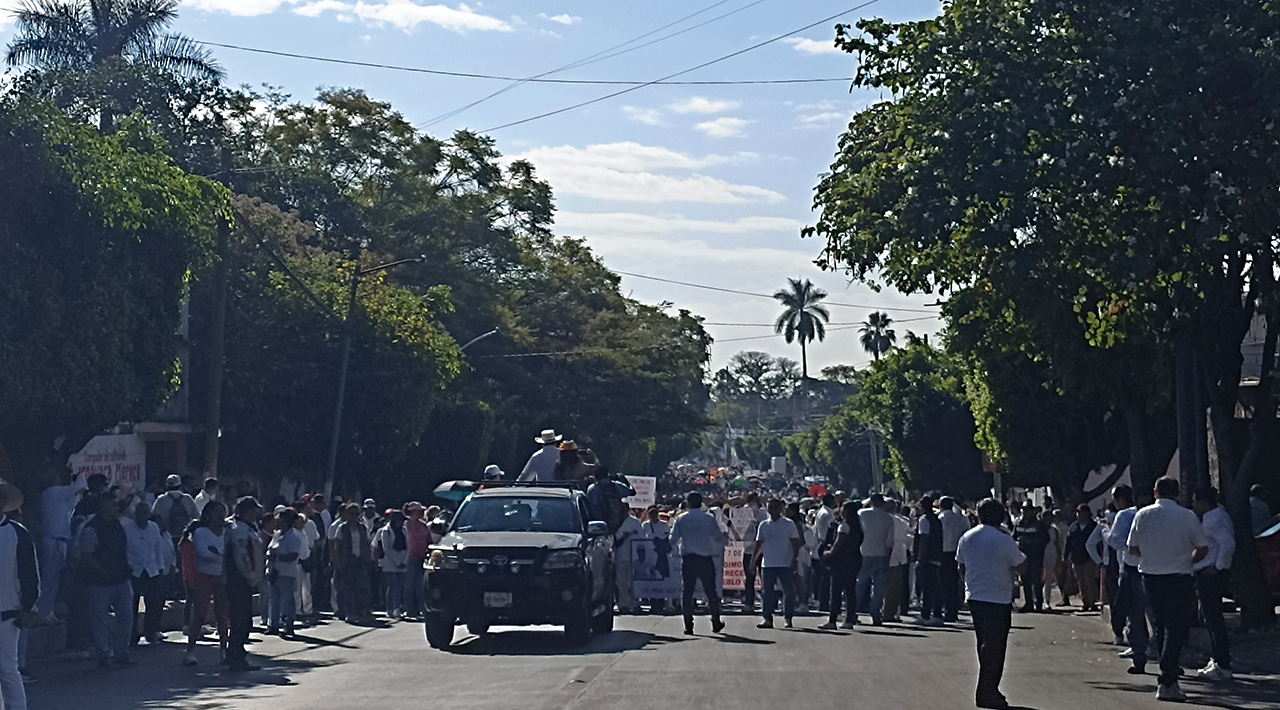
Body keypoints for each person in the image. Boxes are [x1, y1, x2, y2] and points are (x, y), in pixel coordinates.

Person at [1126, 477, 1209, 702]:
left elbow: (1132, 547)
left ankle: (1167, 671)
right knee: (1176, 627)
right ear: (1177, 493)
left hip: (1151, 576)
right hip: (1179, 576)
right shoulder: (1187, 516)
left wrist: (1152, 556)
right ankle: (1168, 677)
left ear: (1155, 493)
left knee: (1161, 625)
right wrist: (1187, 559)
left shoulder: (1142, 515)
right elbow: (1202, 548)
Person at [957, 499, 1028, 710]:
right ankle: (987, 691)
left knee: (984, 644)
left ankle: (987, 688)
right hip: (998, 597)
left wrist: (969, 583)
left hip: (976, 596)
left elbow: (960, 566)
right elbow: (1021, 565)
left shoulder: (967, 537)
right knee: (996, 647)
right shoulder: (1004, 540)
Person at [78, 493, 137, 667]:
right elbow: (86, 557)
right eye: (112, 505)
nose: (116, 507)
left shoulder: (118, 525)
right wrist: (103, 573)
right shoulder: (91, 528)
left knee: (126, 616)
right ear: (103, 506)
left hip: (122, 579)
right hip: (99, 582)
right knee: (99, 618)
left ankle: (121, 652)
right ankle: (103, 653)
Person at [0, 479, 38, 710]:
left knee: (7, 668)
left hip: (8, 614)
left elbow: (30, 575)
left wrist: (28, 608)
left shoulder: (17, 534)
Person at [1192, 487, 1235, 682]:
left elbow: (1227, 544)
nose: (1194, 506)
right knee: (1208, 617)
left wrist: (1218, 567)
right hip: (1206, 572)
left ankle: (1222, 664)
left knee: (1213, 618)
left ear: (1203, 502)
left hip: (1210, 574)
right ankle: (1217, 659)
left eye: (1196, 502)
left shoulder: (1215, 520)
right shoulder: (1213, 517)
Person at [1107, 484, 1151, 670]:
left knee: (1157, 615)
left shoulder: (1157, 515)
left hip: (1154, 568)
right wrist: (1134, 549)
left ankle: (1167, 657)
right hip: (1133, 567)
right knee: (1135, 614)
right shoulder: (1125, 516)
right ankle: (1139, 654)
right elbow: (1114, 540)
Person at [669, 492, 725, 635]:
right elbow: (718, 538)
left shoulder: (681, 519)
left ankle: (688, 625)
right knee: (711, 592)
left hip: (689, 559)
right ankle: (716, 622)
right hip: (705, 558)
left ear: (687, 503)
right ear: (701, 503)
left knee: (687, 593)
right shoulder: (708, 518)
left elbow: (672, 539)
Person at [182, 500, 230, 666]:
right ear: (209, 514)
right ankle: (190, 650)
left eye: (222, 511)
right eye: (217, 511)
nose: (220, 515)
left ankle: (224, 650)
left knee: (222, 615)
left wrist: (217, 554)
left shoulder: (227, 532)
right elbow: (203, 554)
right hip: (205, 576)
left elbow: (227, 553)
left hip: (222, 577)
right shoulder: (201, 532)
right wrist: (221, 555)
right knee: (200, 614)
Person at [35, 466, 84, 621]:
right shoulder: (51, 492)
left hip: (61, 540)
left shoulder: (58, 497)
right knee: (49, 579)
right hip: (52, 539)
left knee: (55, 580)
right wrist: (81, 474)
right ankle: (41, 612)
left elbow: (72, 503)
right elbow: (77, 486)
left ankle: (48, 611)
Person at [224, 496, 264, 670]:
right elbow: (241, 558)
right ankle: (235, 656)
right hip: (239, 581)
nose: (255, 512)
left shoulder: (247, 528)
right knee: (240, 620)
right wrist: (251, 576)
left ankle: (236, 653)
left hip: (243, 581)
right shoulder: (239, 530)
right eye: (252, 509)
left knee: (242, 619)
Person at [123, 502, 169, 646]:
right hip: (134, 571)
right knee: (132, 605)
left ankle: (151, 632)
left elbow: (157, 549)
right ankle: (132, 635)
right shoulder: (127, 529)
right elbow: (124, 551)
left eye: (145, 513)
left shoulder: (154, 528)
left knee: (153, 605)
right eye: (139, 513)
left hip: (151, 570)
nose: (142, 516)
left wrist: (160, 568)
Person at [752, 499, 801, 629]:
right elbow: (758, 544)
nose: (773, 510)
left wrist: (795, 559)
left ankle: (788, 617)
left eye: (775, 507)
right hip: (767, 563)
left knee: (788, 592)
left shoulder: (788, 524)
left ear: (781, 509)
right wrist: (753, 561)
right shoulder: (763, 525)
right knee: (767, 592)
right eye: (770, 507)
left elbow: (796, 543)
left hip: (785, 563)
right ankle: (767, 618)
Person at [818, 500, 863, 630]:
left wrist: (829, 554)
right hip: (855, 559)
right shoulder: (858, 526)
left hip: (842, 561)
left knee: (836, 590)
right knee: (850, 591)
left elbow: (839, 542)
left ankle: (832, 620)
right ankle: (849, 619)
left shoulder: (844, 526)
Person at [855, 494, 895, 626]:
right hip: (881, 553)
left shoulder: (862, 513)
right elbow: (890, 542)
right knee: (879, 587)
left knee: (860, 583)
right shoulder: (888, 519)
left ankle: (854, 610)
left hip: (864, 552)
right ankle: (876, 613)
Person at [332, 503, 373, 624]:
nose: (354, 516)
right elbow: (337, 546)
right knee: (348, 588)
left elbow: (366, 544)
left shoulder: (362, 528)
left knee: (363, 587)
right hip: (347, 561)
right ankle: (350, 612)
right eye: (351, 514)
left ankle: (363, 611)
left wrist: (368, 559)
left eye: (357, 514)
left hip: (360, 561)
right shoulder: (342, 528)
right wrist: (337, 562)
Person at [267, 507, 305, 635]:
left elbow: (293, 556)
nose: (277, 523)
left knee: (288, 600)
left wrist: (277, 556)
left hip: (286, 573)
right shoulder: (276, 535)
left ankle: (289, 624)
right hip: (274, 572)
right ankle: (273, 625)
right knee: (274, 599)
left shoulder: (294, 537)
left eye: (280, 521)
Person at [372, 510, 410, 619]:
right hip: (389, 563)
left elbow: (408, 546)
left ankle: (397, 608)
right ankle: (390, 608)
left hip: (402, 562)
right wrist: (396, 562)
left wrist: (404, 561)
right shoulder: (386, 531)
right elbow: (387, 548)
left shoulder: (404, 530)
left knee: (400, 586)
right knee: (392, 586)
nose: (401, 523)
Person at [1012, 503, 1049, 612]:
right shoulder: (1018, 523)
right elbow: (1013, 538)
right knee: (1025, 580)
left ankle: (1038, 604)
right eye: (1024, 510)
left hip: (1035, 556)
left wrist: (1031, 542)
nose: (1025, 512)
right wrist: (1018, 543)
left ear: (1032, 511)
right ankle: (1029, 604)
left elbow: (1045, 539)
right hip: (1023, 556)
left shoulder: (1039, 524)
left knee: (1036, 581)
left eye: (1028, 510)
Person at [914, 496, 945, 625]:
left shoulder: (924, 520)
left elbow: (924, 539)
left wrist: (920, 557)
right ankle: (931, 613)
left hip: (926, 558)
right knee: (933, 587)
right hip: (936, 556)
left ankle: (930, 614)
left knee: (927, 587)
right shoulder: (936, 520)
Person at [737, 493, 769, 614]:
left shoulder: (763, 513)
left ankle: (768, 602)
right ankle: (749, 602)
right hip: (748, 550)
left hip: (762, 550)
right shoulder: (743, 513)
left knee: (765, 578)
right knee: (749, 578)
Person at [882, 499, 913, 622]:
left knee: (881, 585)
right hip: (897, 556)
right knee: (893, 586)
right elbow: (906, 539)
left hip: (881, 553)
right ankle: (889, 612)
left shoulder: (881, 520)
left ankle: (879, 610)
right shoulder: (902, 522)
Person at [938, 496, 968, 622]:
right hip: (956, 553)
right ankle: (953, 610)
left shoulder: (940, 519)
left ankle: (946, 610)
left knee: (943, 584)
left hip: (943, 553)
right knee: (954, 583)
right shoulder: (960, 519)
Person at [1065, 504, 1100, 611]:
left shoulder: (1093, 526)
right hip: (1076, 557)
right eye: (1077, 513)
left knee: (1089, 579)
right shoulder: (1073, 526)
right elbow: (1069, 542)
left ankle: (1093, 602)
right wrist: (1065, 556)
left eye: (1080, 512)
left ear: (1087, 513)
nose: (1078, 515)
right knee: (1081, 581)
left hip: (1090, 557)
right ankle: (1086, 602)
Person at [152, 474, 198, 543]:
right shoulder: (187, 498)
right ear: (180, 485)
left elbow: (154, 517)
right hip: (185, 537)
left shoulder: (161, 500)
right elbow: (196, 516)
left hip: (167, 537)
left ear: (166, 486)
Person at [403, 502, 429, 620]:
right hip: (411, 557)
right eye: (418, 511)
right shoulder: (406, 525)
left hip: (422, 557)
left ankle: (421, 609)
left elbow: (428, 540)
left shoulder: (424, 525)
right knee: (409, 585)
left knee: (420, 585)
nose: (421, 513)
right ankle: (409, 609)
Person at [614, 510, 643, 613]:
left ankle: (635, 603)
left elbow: (642, 537)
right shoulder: (615, 522)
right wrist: (623, 537)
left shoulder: (635, 522)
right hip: (620, 555)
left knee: (633, 581)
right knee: (621, 582)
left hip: (633, 555)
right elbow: (614, 541)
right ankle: (623, 604)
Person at [811, 494, 837, 612]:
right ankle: (824, 601)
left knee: (822, 576)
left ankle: (822, 600)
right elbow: (829, 531)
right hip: (825, 544)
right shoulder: (827, 514)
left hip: (820, 543)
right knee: (826, 576)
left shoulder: (822, 512)